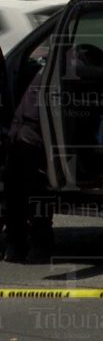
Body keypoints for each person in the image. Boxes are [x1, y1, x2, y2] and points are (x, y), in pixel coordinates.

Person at [2, 65, 54, 263]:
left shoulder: (49, 67)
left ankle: (16, 246)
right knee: (37, 193)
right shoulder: (67, 66)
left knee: (15, 194)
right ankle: (39, 248)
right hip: (31, 138)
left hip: (16, 134)